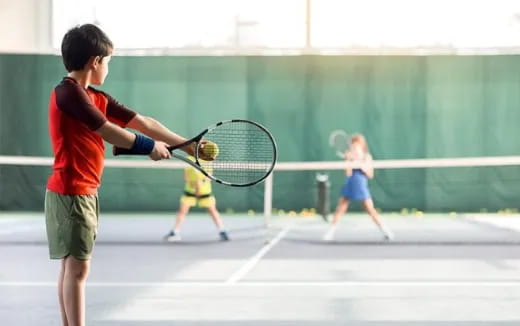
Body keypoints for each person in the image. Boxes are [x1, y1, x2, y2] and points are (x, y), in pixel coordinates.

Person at [45, 24, 211, 326]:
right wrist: (149, 148)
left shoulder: (95, 97)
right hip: (72, 191)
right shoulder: (68, 94)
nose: (108, 67)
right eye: (108, 61)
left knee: (72, 268)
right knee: (77, 270)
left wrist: (190, 146)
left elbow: (144, 123)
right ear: (95, 61)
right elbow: (108, 132)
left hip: (80, 191)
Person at [323, 134, 394, 241]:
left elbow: (370, 175)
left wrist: (361, 164)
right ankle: (330, 233)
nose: (355, 147)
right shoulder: (349, 156)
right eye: (353, 145)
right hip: (350, 184)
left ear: (362, 146)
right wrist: (348, 161)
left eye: (358, 145)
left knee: (370, 210)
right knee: (340, 209)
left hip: (361, 186)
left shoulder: (367, 157)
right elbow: (348, 173)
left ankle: (385, 231)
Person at [164, 156, 229, 242]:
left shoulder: (207, 160)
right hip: (191, 191)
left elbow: (209, 176)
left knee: (213, 211)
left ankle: (222, 231)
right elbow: (186, 177)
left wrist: (201, 184)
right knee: (182, 211)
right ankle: (175, 232)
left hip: (205, 192)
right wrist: (195, 186)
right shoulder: (189, 159)